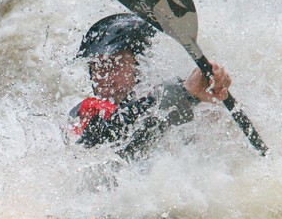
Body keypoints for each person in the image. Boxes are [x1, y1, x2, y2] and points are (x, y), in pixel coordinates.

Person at [69, 13, 233, 161]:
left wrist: (216, 92)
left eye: (114, 64)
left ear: (141, 63)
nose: (103, 77)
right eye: (96, 66)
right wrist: (186, 95)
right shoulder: (87, 113)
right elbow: (114, 144)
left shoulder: (171, 89)